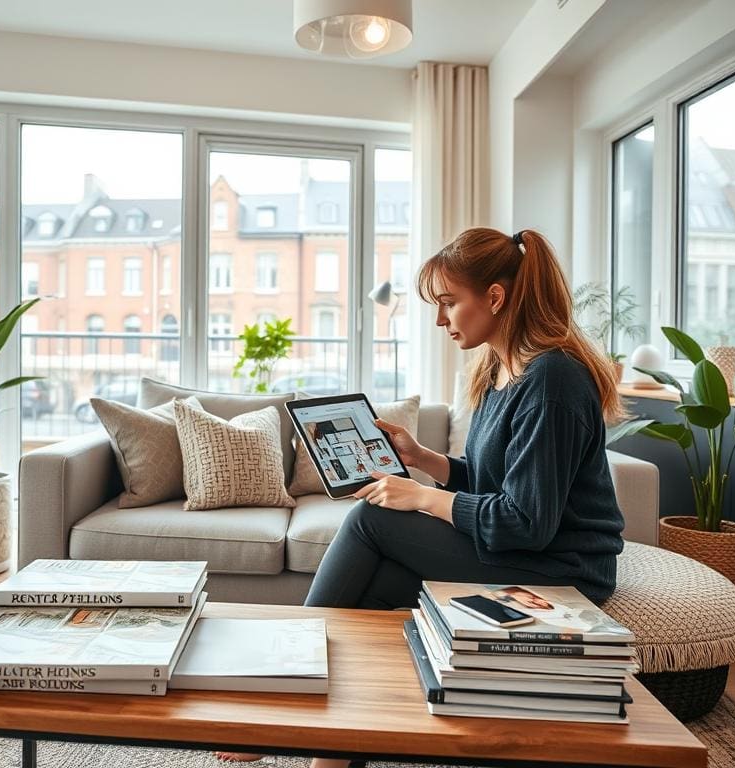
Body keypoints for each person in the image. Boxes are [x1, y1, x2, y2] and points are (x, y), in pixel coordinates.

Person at [215, 227, 626, 766]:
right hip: (527, 548)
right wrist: (424, 460)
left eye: (450, 303)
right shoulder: (500, 371)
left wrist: (421, 497)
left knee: (372, 519)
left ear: (496, 298)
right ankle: (331, 753)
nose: (440, 320)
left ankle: (278, 695)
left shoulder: (551, 381)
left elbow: (527, 520)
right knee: (379, 584)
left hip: (563, 566)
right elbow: (493, 481)